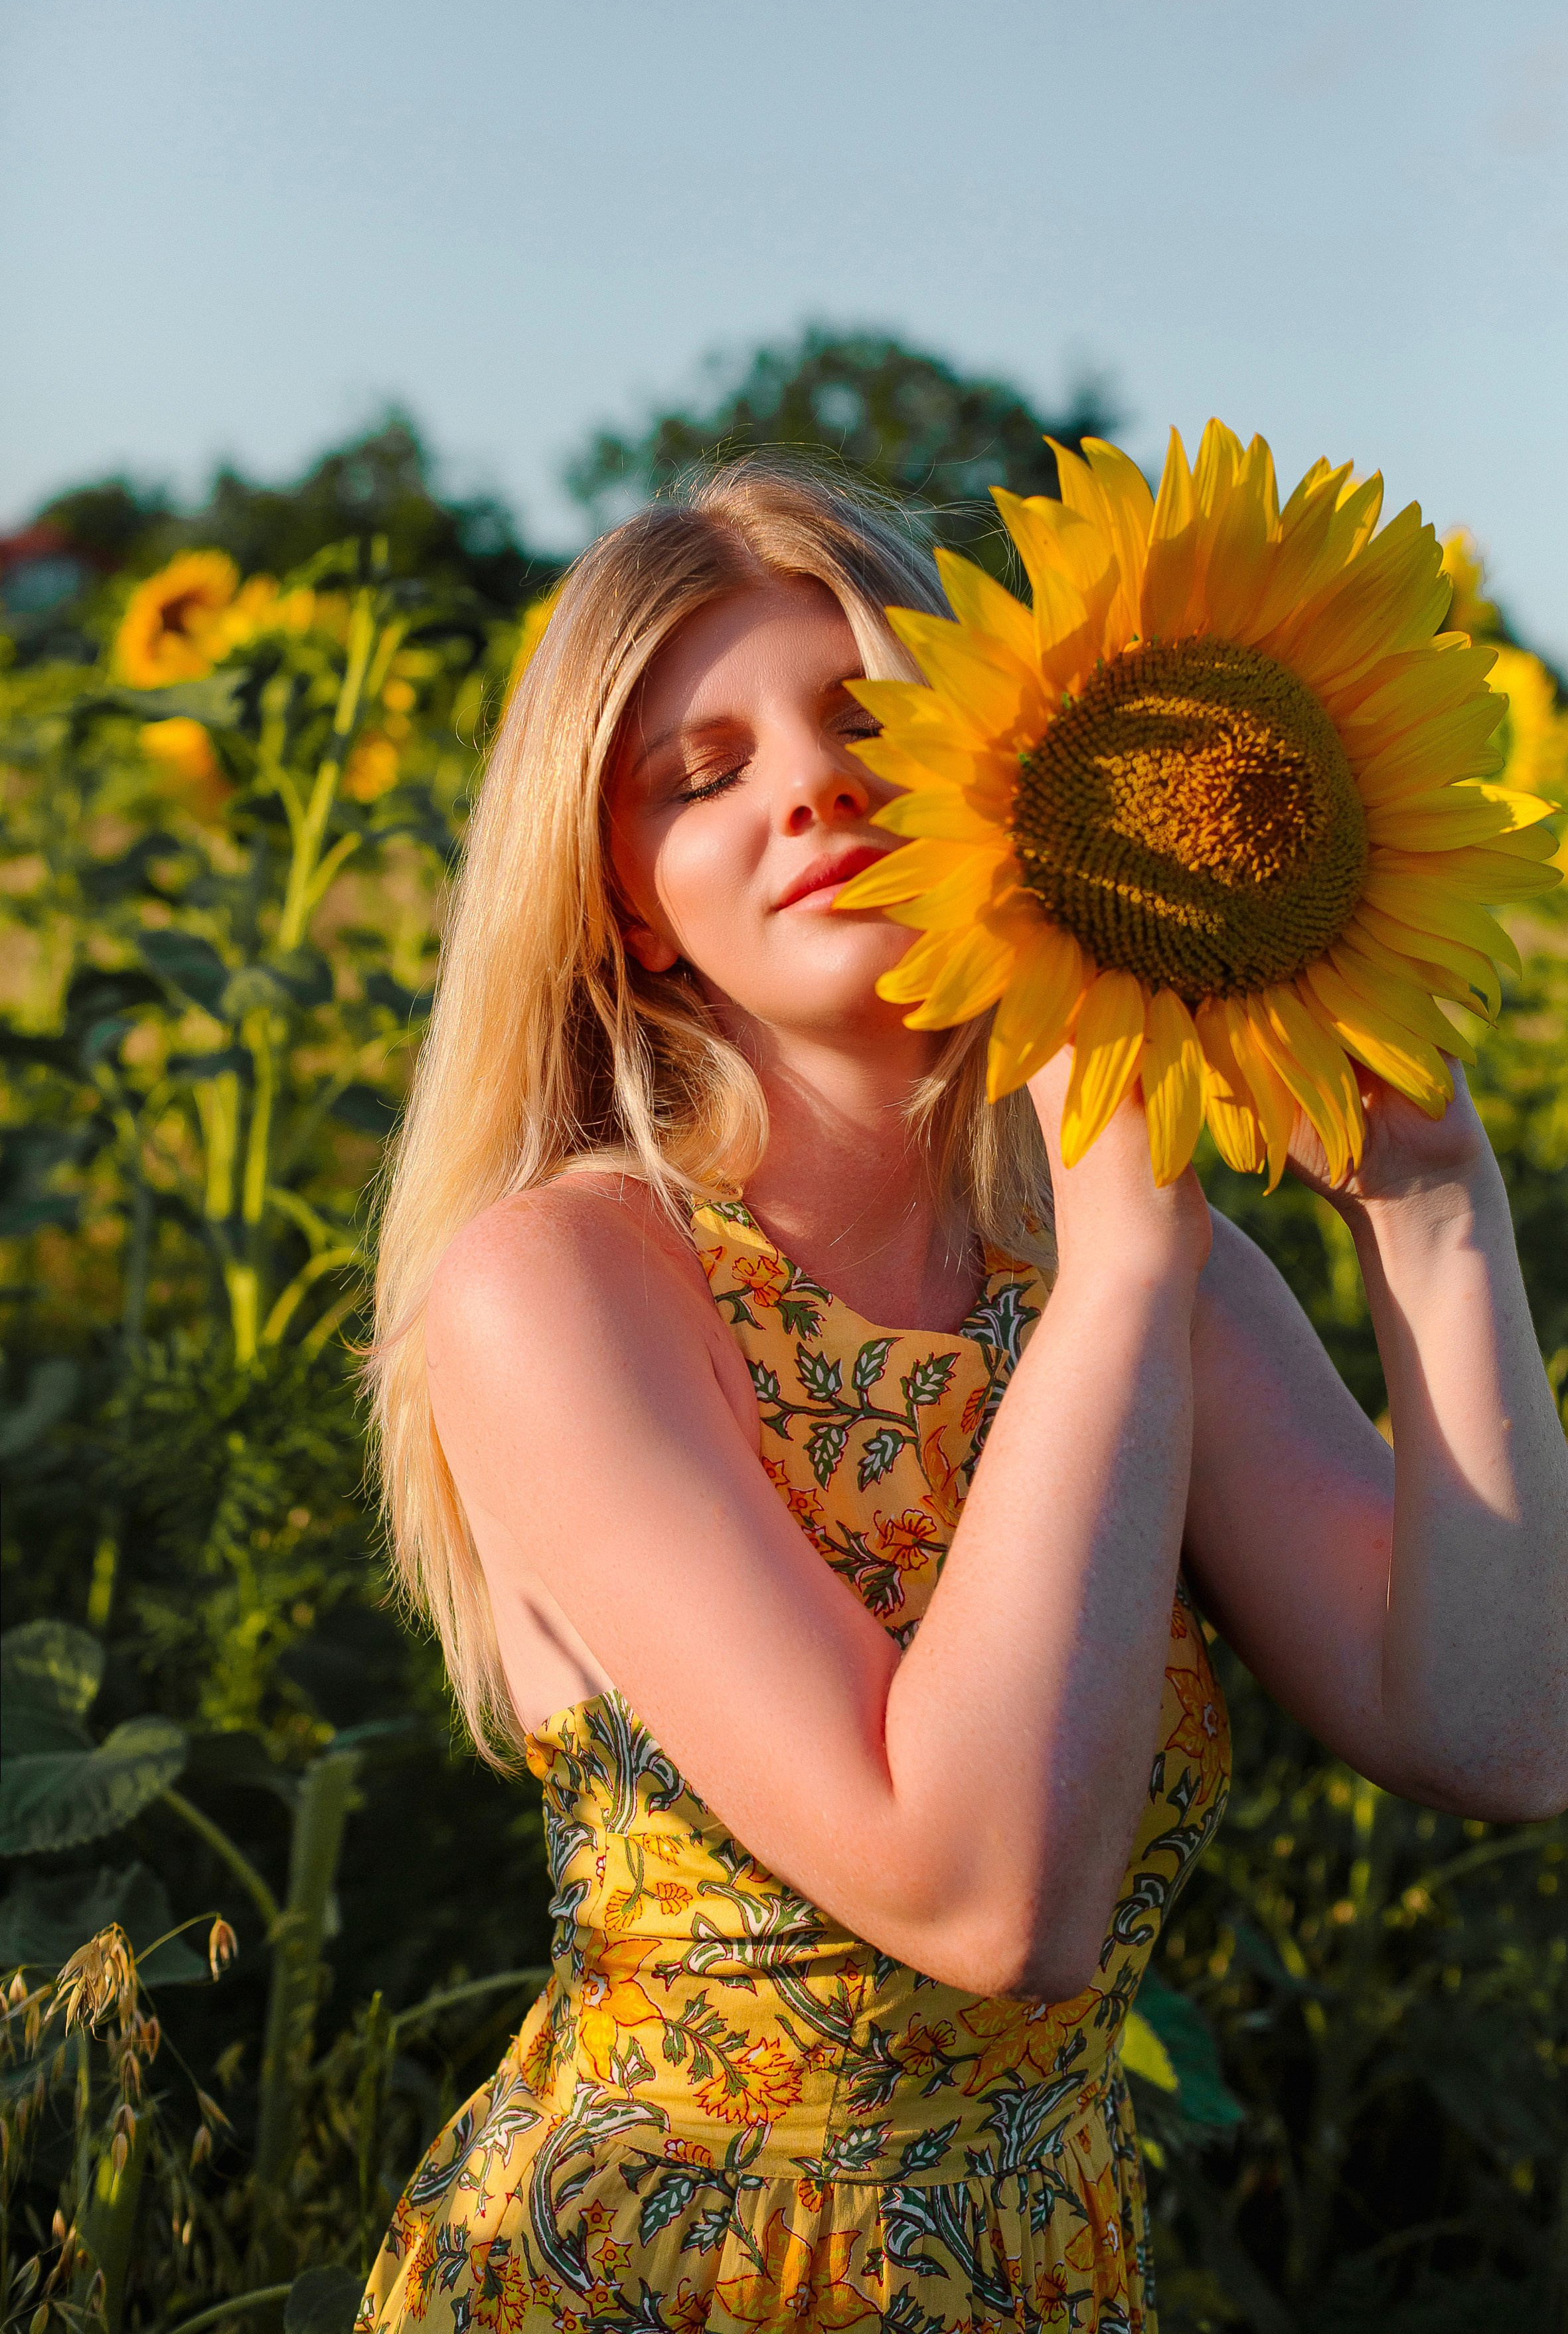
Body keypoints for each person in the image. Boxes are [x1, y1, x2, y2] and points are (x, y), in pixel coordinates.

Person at [358, 462, 1567, 2334]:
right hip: (661, 2280)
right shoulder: (567, 1285)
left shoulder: (1114, 1293)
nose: (811, 790)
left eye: (863, 722)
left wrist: (1432, 1216)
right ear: (633, 913)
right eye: (701, 776)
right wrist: (1125, 1268)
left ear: (1003, 764)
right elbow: (982, 1904)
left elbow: (1501, 1739)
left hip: (1043, 2274)